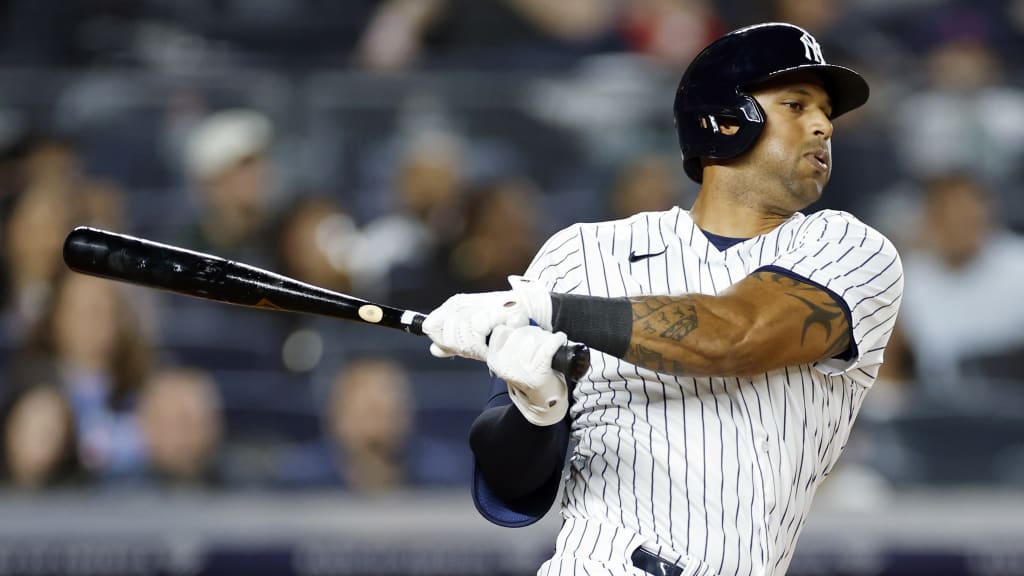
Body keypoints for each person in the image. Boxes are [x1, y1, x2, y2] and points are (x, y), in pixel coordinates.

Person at [422, 23, 904, 576]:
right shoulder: (581, 253)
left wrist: (551, 311)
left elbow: (732, 335)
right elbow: (510, 492)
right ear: (726, 119)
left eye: (826, 113)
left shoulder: (848, 249)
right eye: (796, 105)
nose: (823, 126)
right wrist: (537, 408)